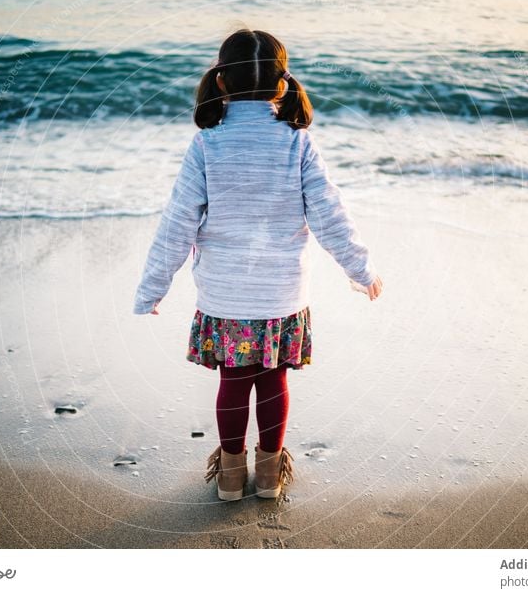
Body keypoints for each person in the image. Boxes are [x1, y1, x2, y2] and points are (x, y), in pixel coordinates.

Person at [133, 28, 383, 501]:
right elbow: (330, 216)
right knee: (273, 381)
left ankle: (230, 476)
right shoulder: (297, 142)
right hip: (282, 294)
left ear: (221, 82)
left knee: (233, 381)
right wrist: (361, 270)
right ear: (281, 83)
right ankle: (268, 475)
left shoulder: (208, 143)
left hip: (225, 295)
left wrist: (152, 288)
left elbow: (178, 223)